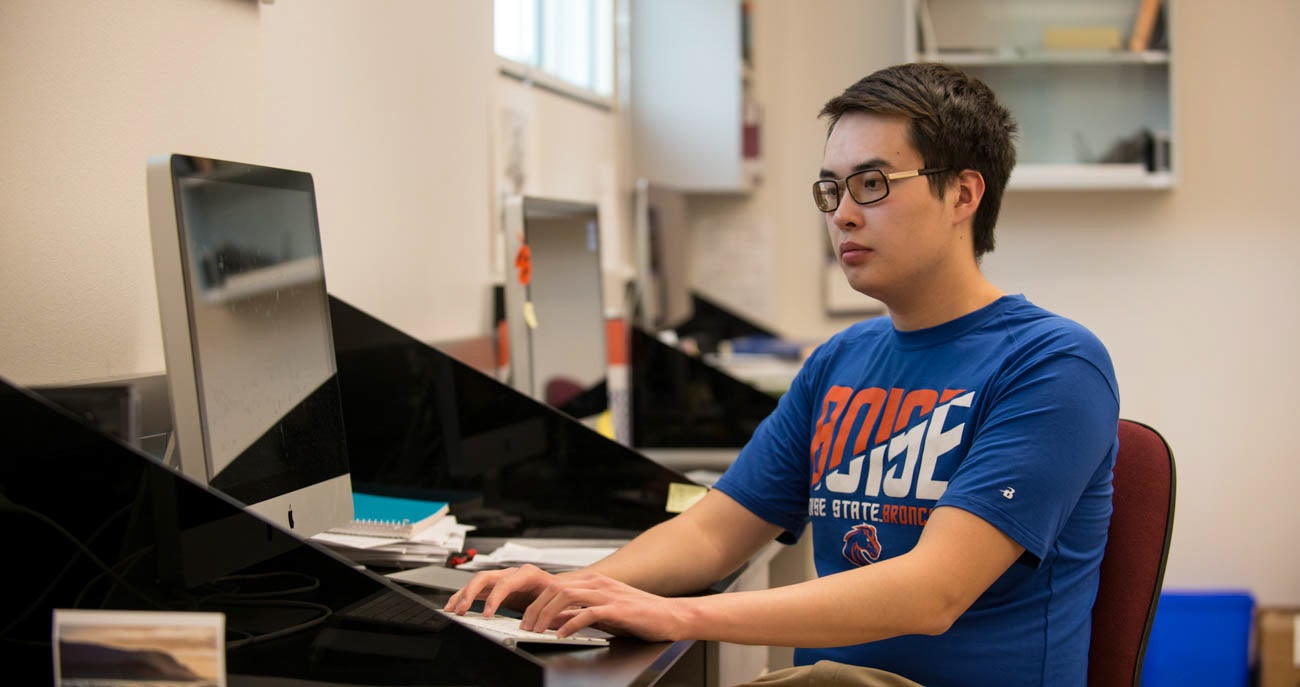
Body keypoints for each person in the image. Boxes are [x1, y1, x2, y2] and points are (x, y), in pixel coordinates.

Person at [446, 62, 1120, 687]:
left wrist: (679, 615)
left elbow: (932, 591)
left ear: (963, 194)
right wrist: (580, 585)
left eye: (874, 184)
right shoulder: (840, 361)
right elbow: (713, 533)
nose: (843, 213)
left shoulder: (1054, 365)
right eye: (831, 188)